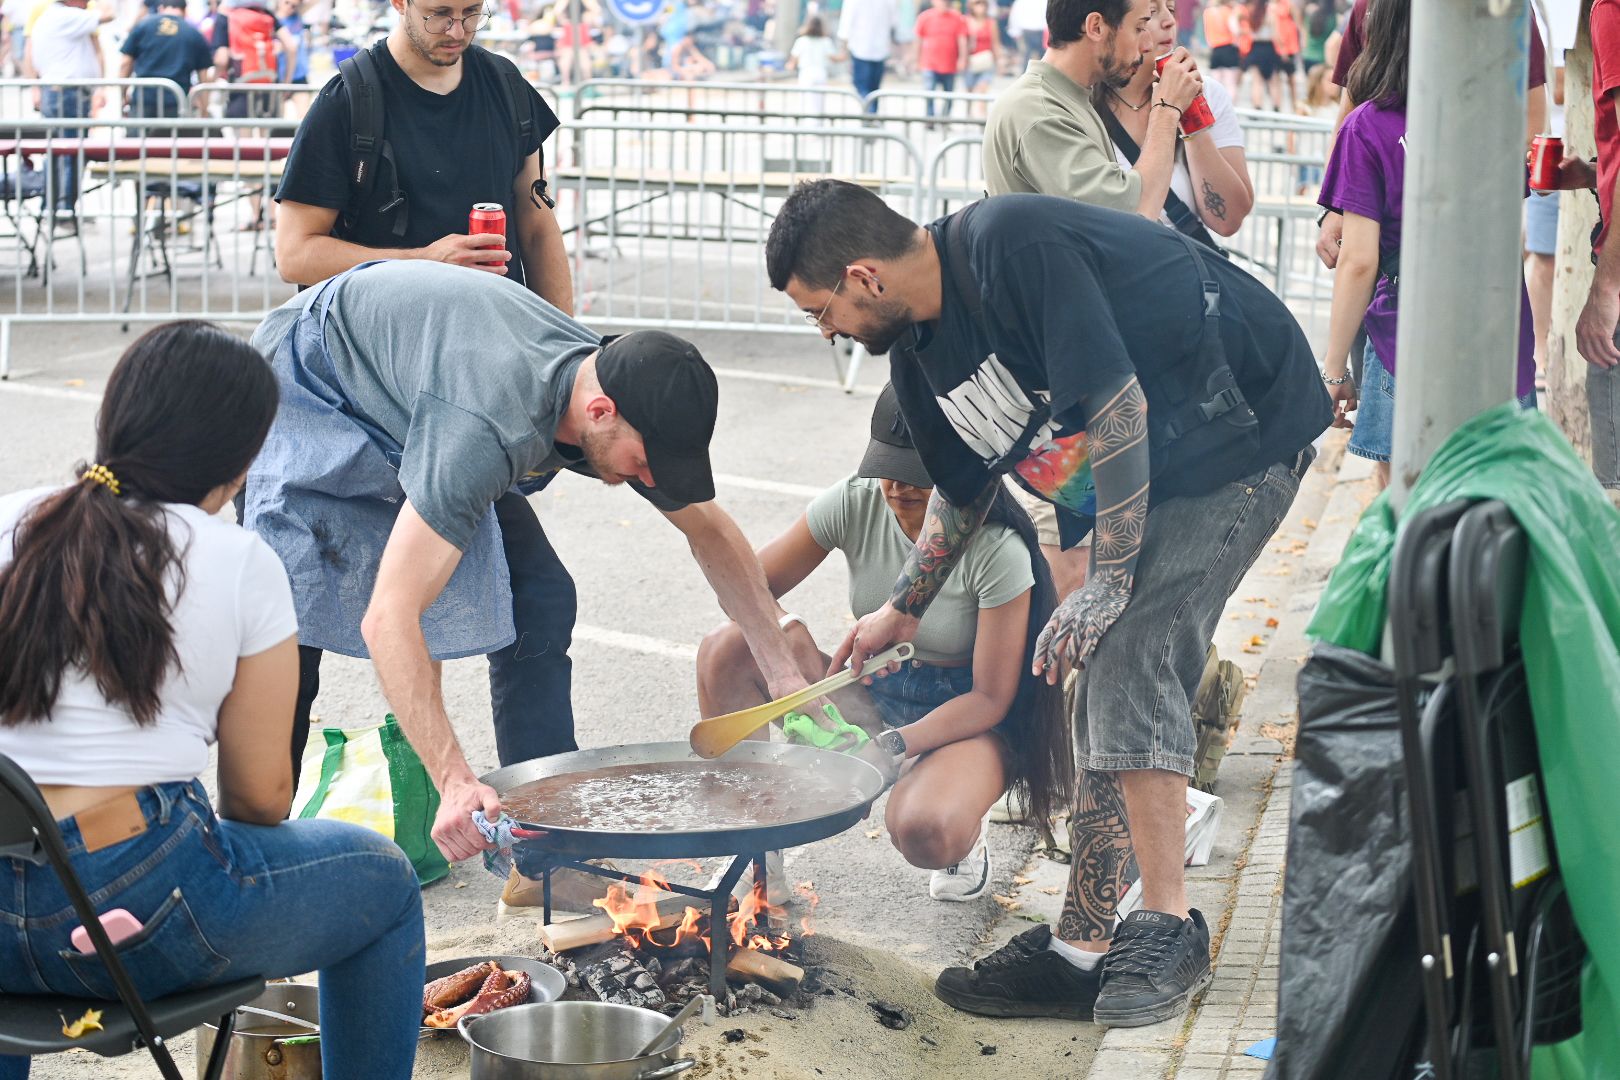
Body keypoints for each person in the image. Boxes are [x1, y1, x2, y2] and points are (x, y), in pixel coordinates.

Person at [766, 181, 1331, 1026]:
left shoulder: (1011, 246)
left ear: (863, 277)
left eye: (822, 310)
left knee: (1134, 647)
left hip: (1239, 434)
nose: (827, 330)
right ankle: (1080, 953)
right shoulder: (917, 359)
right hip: (1152, 469)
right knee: (1102, 662)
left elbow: (1117, 405)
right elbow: (962, 490)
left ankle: (1168, 924)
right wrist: (902, 609)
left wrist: (1108, 580)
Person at [246, 260, 818, 865]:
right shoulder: (484, 428)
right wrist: (455, 781)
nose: (651, 482)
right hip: (307, 382)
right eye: (645, 463)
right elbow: (390, 617)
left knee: (538, 602)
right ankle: (255, 850)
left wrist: (781, 674)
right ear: (600, 412)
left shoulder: (613, 385)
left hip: (423, 392)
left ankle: (547, 855)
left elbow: (709, 529)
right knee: (288, 624)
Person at [0, 322, 425, 1080]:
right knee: (386, 885)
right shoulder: (238, 561)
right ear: (242, 459)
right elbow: (258, 800)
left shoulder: (10, 518)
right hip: (138, 910)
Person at [696, 386, 1071, 903]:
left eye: (918, 473)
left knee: (926, 830)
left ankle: (961, 821)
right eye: (886, 467)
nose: (896, 487)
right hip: (869, 689)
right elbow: (744, 589)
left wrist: (893, 745)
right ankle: (755, 849)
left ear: (963, 471)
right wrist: (787, 635)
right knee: (727, 649)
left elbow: (989, 699)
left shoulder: (998, 548)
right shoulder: (856, 499)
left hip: (964, 716)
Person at [983, 0, 1202, 598]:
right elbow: (1135, 214)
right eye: (1138, 27)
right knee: (1073, 573)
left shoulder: (1071, 100)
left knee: (1099, 567)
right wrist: (1166, 111)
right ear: (1096, 27)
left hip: (1083, 371)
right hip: (1062, 385)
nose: (1145, 45)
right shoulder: (1037, 111)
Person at [1315, 0, 1535, 491]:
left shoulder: (1367, 126)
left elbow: (1358, 261)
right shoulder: (1496, 113)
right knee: (1493, 504)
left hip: (1407, 341)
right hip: (1501, 341)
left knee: (1413, 506)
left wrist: (1333, 370)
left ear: (1381, 30)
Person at [273, 0, 571, 311]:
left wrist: (565, 336)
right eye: (440, 14)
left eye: (472, 12)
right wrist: (423, 261)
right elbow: (295, 256)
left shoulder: (507, 86)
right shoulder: (347, 100)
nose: (457, 31)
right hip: (384, 334)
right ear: (399, 3)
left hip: (496, 331)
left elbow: (537, 229)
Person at [1314, 0, 1546, 267]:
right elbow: (1347, 119)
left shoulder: (1508, 8)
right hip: (1386, 239)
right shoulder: (1371, 6)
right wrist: (1333, 208)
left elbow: (1532, 126)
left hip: (1474, 233)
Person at [1096, 0, 1253, 243]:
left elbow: (1228, 220)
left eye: (1171, 9)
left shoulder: (1207, 92)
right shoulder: (1082, 100)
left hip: (1182, 263)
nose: (1169, 21)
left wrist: (1191, 115)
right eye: (1151, 12)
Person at [24, 0, 116, 220]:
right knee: (70, 152)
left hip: (59, 92)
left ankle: (54, 205)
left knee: (59, 151)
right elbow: (109, 13)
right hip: (67, 93)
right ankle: (64, 208)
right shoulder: (67, 16)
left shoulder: (51, 16)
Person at [119, 0, 213, 123]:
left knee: (139, 135)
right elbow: (203, 77)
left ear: (161, 8)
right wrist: (204, 110)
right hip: (176, 101)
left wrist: (123, 94)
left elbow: (126, 63)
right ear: (185, 10)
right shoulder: (193, 33)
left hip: (143, 99)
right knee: (171, 135)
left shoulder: (143, 26)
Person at [837, 0, 900, 111]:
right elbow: (894, 22)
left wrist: (844, 48)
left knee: (862, 86)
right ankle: (871, 112)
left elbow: (846, 23)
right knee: (874, 88)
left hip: (860, 48)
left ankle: (869, 112)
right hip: (879, 48)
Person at [912, 0, 968, 116]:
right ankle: (930, 118)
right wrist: (916, 60)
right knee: (929, 92)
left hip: (950, 64)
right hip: (929, 64)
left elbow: (962, 40)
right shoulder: (924, 17)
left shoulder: (957, 18)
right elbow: (918, 40)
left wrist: (962, 59)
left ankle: (945, 118)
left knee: (948, 95)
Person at [787, 13, 839, 108]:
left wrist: (790, 66)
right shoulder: (826, 41)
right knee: (819, 105)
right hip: (821, 73)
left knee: (804, 103)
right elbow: (834, 58)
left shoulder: (801, 41)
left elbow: (792, 62)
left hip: (806, 73)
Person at [1238, 0, 1281, 111]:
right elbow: (1276, 34)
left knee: (1257, 81)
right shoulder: (1270, 14)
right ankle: (1276, 108)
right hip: (1269, 48)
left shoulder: (1252, 14)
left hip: (1255, 48)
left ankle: (1257, 106)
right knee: (1273, 81)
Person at [962, 0, 1000, 95]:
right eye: (977, 4)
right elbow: (962, 42)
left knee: (982, 89)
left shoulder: (991, 22)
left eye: (982, 4)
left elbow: (995, 43)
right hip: (970, 61)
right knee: (969, 91)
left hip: (986, 61)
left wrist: (999, 61)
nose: (980, 7)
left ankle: (981, 105)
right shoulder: (966, 21)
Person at [1201, 0, 1238, 93]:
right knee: (1230, 82)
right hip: (1228, 47)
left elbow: (1206, 30)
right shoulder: (1228, 12)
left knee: (1216, 82)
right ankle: (1230, 102)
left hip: (1215, 49)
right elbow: (1235, 30)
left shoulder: (1207, 13)